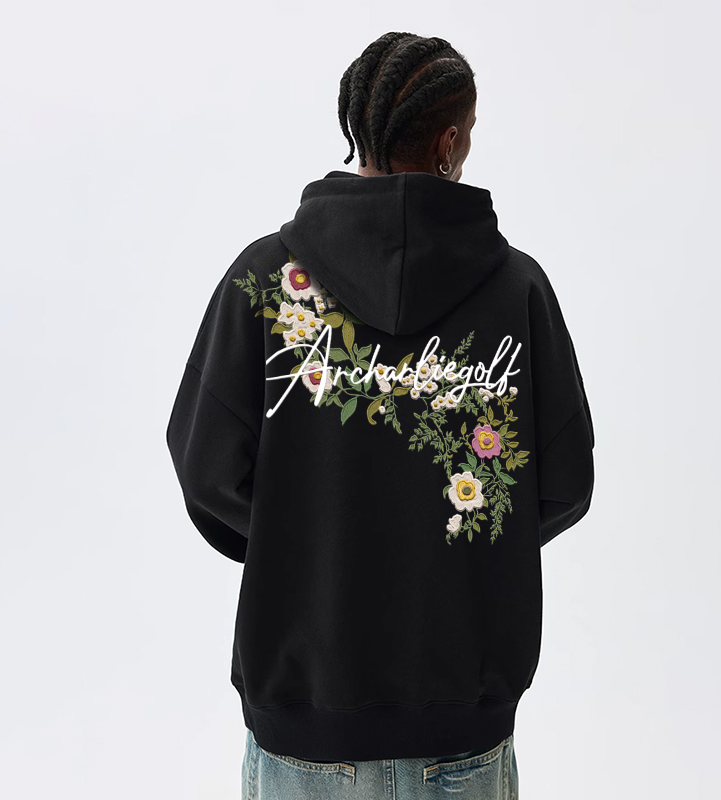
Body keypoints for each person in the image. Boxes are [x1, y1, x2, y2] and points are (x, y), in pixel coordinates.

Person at [166, 31, 595, 800]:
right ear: (449, 142)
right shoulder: (516, 293)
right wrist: (461, 557)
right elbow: (562, 484)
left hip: (302, 730)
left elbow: (206, 468)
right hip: (463, 733)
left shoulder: (266, 282)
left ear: (357, 126)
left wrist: (306, 549)